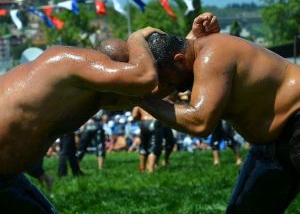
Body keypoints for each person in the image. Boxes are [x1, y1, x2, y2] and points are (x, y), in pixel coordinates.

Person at [0, 12, 220, 213]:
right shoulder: (65, 63)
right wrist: (137, 37)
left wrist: (191, 42)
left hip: (7, 178)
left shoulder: (93, 96)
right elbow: (144, 78)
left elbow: (153, 87)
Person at [136, 25, 300, 213]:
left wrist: (141, 99)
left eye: (165, 79)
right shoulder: (194, 55)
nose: (165, 87)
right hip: (275, 142)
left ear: (179, 60)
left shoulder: (210, 55)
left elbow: (200, 122)